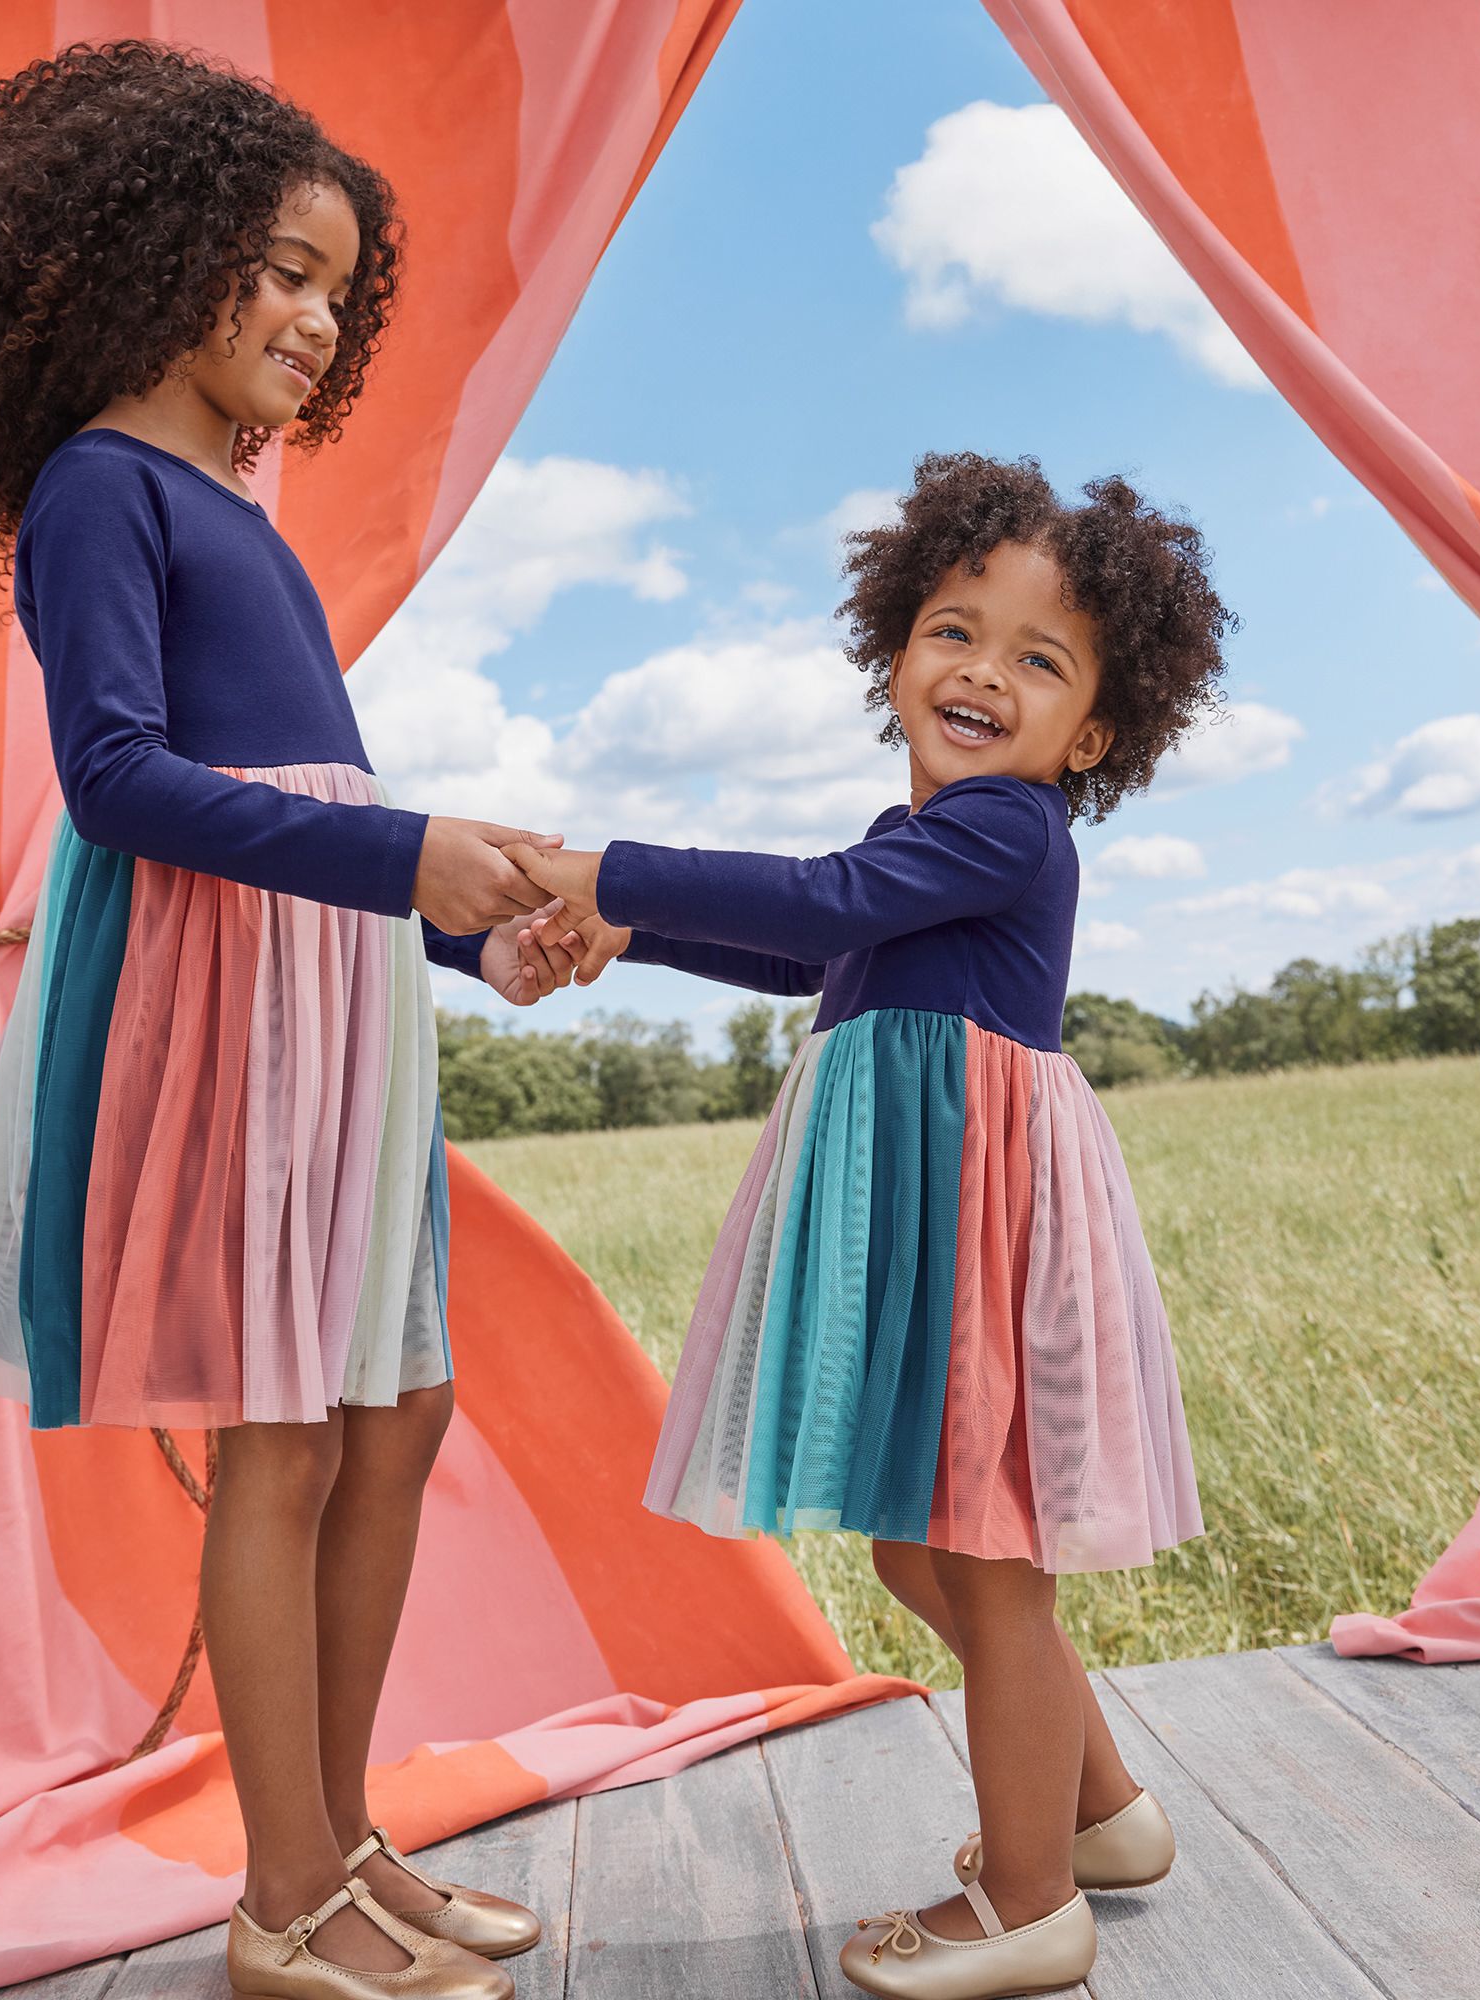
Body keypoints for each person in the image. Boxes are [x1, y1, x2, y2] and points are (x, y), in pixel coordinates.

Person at [0, 41, 576, 2000]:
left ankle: (344, 1839)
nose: (312, 318)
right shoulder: (101, 487)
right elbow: (115, 780)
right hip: (228, 1017)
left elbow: (322, 805)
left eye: (335, 292)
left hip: (338, 1001)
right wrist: (420, 860)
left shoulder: (233, 511)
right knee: (284, 1434)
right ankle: (283, 1900)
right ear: (153, 252)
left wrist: (471, 941)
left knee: (399, 1405)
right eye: (278, 269)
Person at [505, 450, 1231, 2000]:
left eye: (1042, 660)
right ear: (896, 645)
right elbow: (806, 954)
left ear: (1092, 731)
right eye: (956, 629)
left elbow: (823, 904)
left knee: (986, 1554)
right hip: (927, 1188)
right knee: (928, 1548)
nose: (984, 672)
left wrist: (598, 864)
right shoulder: (930, 837)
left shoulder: (1010, 829)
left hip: (970, 1194)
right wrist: (629, 930)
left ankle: (1034, 1906)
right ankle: (1103, 1818)